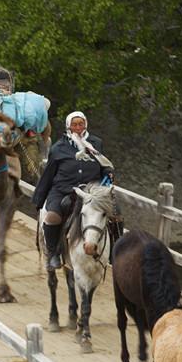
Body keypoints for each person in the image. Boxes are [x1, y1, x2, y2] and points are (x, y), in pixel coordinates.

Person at [32, 111, 114, 269]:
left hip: (92, 191)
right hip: (63, 190)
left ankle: (114, 253)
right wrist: (39, 199)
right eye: (74, 124)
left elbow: (104, 165)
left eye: (80, 124)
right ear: (68, 126)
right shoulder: (58, 148)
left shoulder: (96, 143)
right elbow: (49, 174)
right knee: (52, 217)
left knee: (116, 212)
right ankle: (53, 254)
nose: (77, 128)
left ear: (85, 125)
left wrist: (108, 175)